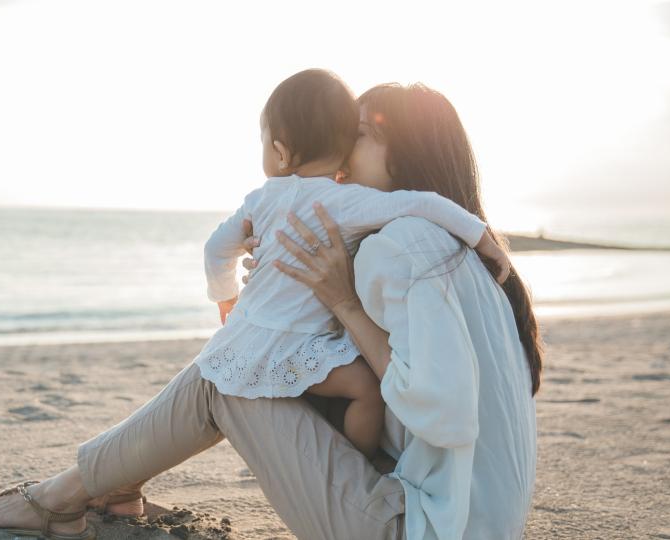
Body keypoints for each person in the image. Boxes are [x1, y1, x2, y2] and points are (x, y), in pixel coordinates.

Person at [0, 79, 539, 540]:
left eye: (360, 134)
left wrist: (340, 301)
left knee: (230, 374)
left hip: (420, 528)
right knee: (269, 361)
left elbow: (443, 412)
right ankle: (109, 485)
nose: (342, 149)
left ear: (406, 152)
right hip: (460, 515)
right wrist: (299, 292)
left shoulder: (406, 246)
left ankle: (62, 497)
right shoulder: (445, 247)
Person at [198, 68, 508, 459]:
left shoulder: (258, 200)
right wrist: (483, 238)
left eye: (358, 135)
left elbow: (215, 250)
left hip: (248, 336)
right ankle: (355, 460)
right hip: (300, 346)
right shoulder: (348, 204)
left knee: (200, 393)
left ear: (279, 151)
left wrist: (227, 298)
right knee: (365, 391)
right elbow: (424, 201)